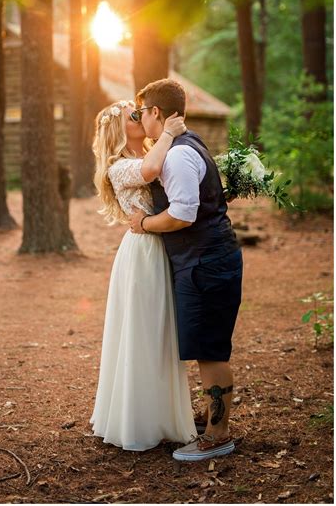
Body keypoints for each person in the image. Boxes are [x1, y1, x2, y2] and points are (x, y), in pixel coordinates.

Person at [129, 79, 243, 462]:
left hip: (205, 263)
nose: (139, 118)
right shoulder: (184, 146)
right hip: (204, 260)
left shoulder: (178, 155)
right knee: (204, 346)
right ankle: (214, 419)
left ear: (155, 113)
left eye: (141, 111)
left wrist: (143, 223)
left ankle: (218, 436)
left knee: (210, 350)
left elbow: (181, 214)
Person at [90, 100, 196, 451]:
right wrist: (168, 132)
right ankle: (138, 420)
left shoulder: (155, 151)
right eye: (130, 115)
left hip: (163, 248)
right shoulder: (117, 167)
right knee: (144, 333)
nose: (137, 116)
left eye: (139, 112)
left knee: (163, 334)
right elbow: (149, 171)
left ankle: (163, 414)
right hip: (143, 254)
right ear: (118, 129)